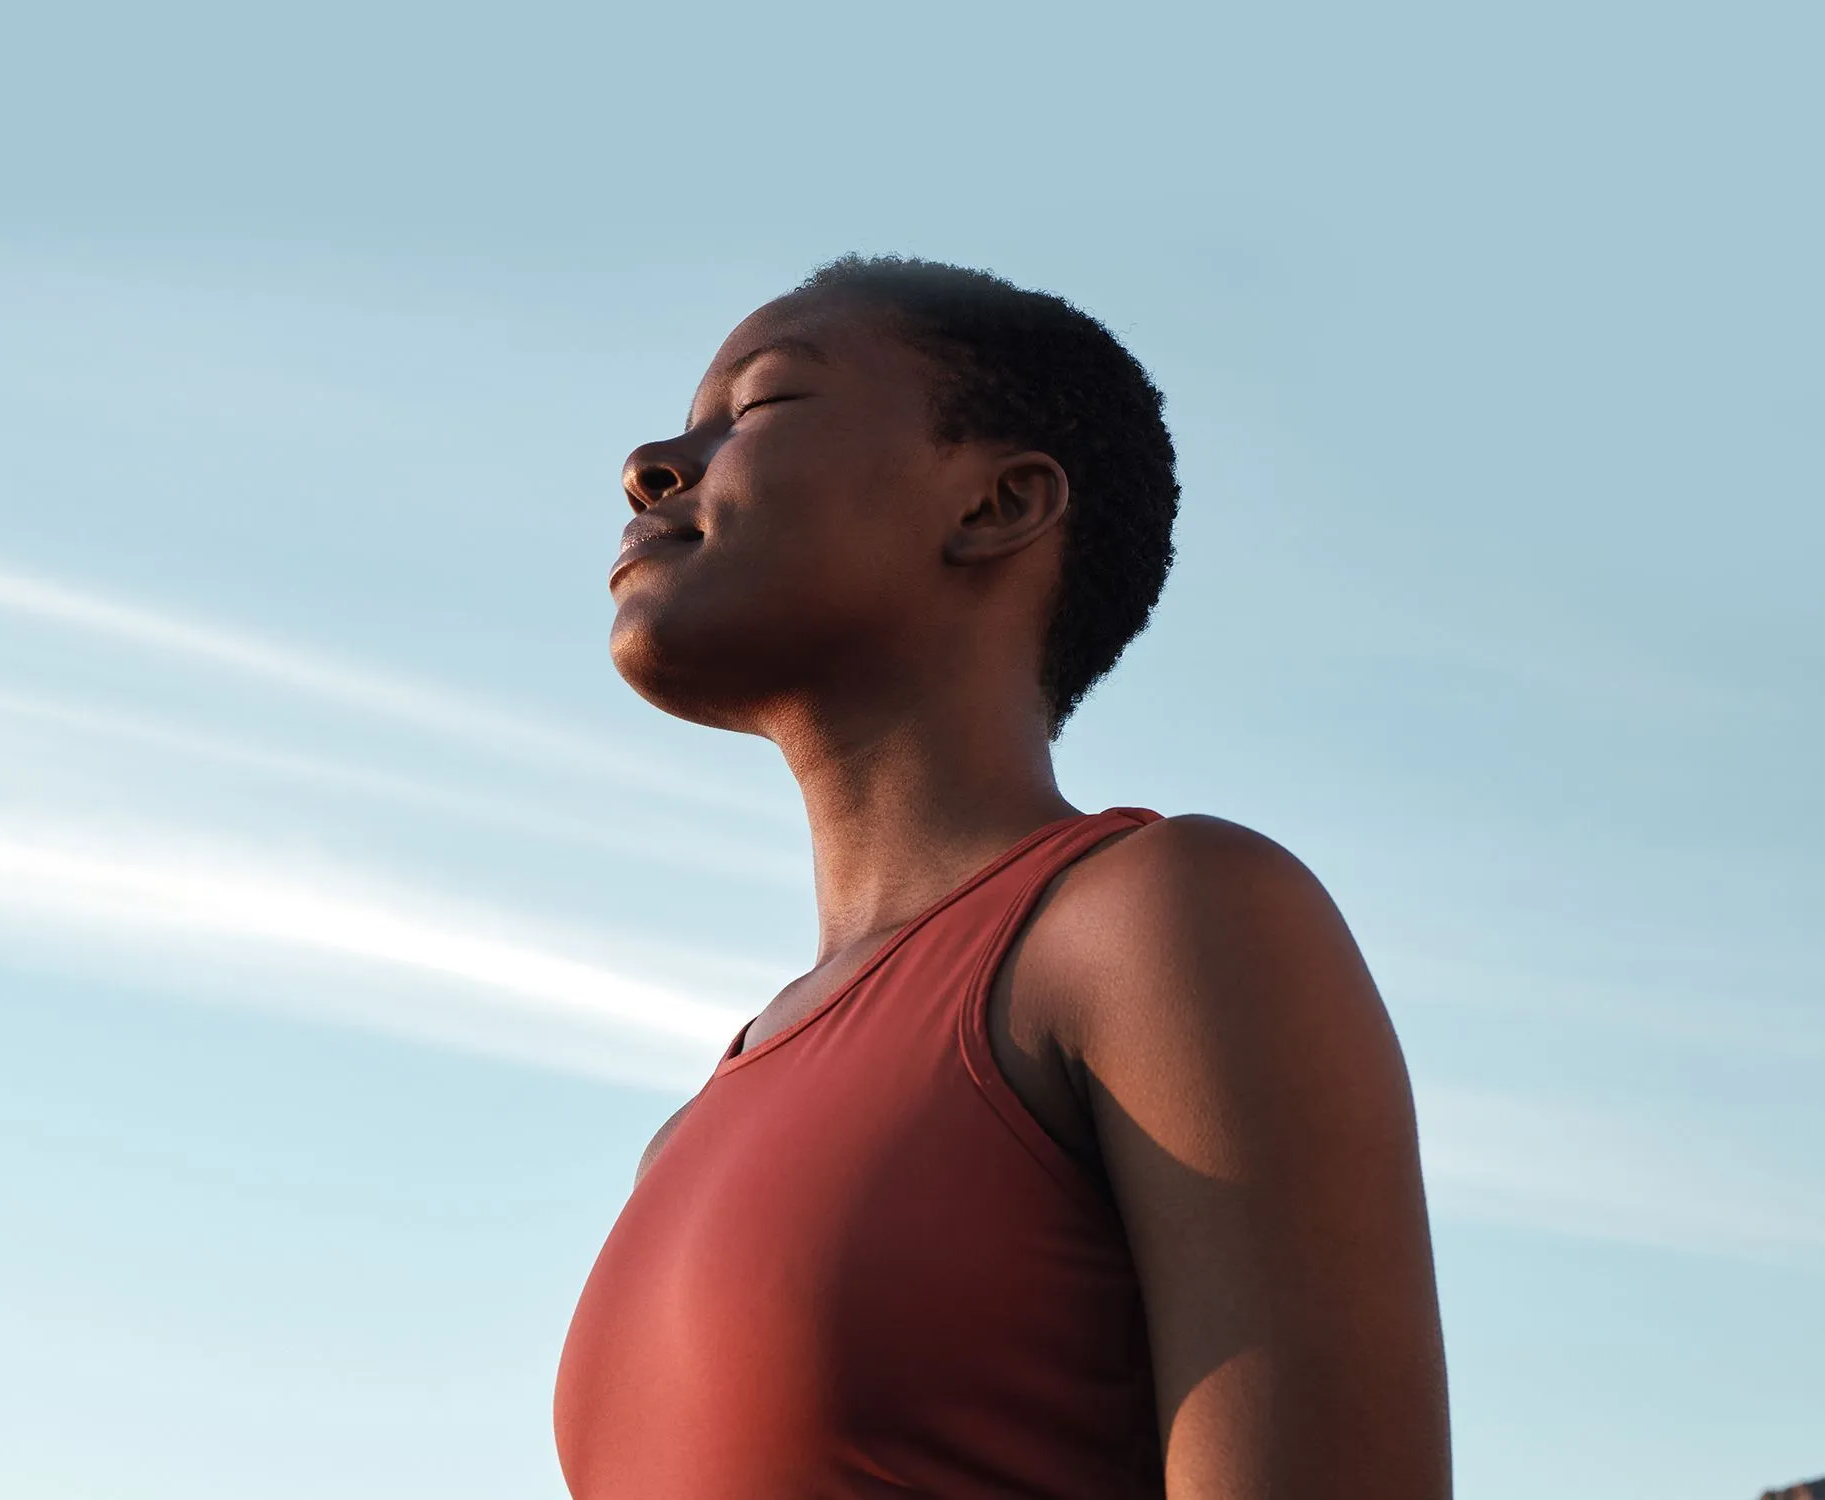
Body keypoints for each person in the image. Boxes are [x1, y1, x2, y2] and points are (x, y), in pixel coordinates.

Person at [553, 257, 1450, 1499]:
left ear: (997, 504)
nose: (651, 464)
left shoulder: (1162, 922)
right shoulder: (686, 1135)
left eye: (757, 406)